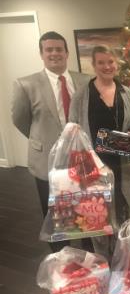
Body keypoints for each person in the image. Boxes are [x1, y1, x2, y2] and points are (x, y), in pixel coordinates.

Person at [11, 31, 91, 252]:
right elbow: (20, 119)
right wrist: (46, 141)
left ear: (67, 53)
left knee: (85, 209)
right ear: (41, 53)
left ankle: (88, 255)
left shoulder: (85, 81)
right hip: (46, 160)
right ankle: (61, 259)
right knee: (56, 215)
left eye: (59, 49)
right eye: (49, 49)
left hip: (80, 160)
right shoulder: (25, 84)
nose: (55, 53)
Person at [69, 45, 130, 227]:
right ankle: (104, 254)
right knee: (99, 215)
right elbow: (72, 127)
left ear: (116, 63)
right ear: (94, 65)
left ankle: (124, 251)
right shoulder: (81, 95)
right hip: (95, 167)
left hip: (122, 164)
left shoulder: (125, 92)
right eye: (101, 62)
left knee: (125, 211)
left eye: (110, 61)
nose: (107, 66)